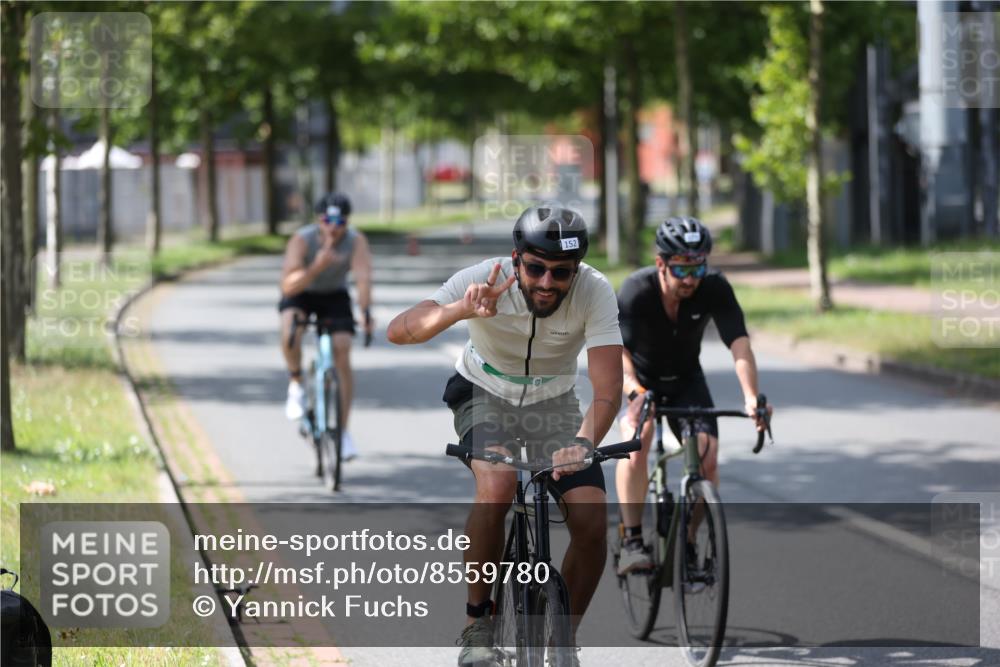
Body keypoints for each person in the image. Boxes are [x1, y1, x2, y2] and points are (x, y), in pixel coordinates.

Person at [387, 205, 623, 667]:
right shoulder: (484, 276)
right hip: (483, 391)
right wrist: (459, 310)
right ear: (517, 260)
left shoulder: (594, 291)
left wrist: (584, 440)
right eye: (535, 268)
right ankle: (479, 621)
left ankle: (562, 637)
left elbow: (608, 388)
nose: (547, 282)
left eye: (562, 273)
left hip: (552, 404)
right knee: (495, 486)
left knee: (593, 521)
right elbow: (400, 331)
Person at [614, 216, 772, 574]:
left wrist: (752, 397)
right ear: (661, 264)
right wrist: (634, 390)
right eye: (681, 269)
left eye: (697, 269)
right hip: (642, 380)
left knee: (708, 457)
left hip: (686, 379)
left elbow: (740, 345)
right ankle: (631, 540)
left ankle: (685, 541)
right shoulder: (636, 290)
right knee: (636, 444)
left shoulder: (714, 287)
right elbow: (617, 351)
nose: (689, 279)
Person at [279, 193, 373, 460]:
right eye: (328, 220)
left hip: (334, 295)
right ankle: (296, 382)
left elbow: (363, 278)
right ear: (319, 220)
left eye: (340, 221)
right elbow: (288, 285)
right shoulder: (302, 240)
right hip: (302, 292)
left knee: (342, 349)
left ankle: (342, 432)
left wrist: (365, 311)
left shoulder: (355, 241)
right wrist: (316, 266)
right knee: (290, 331)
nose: (334, 226)